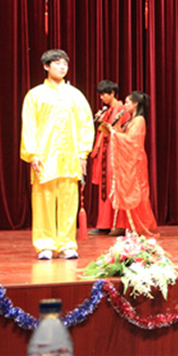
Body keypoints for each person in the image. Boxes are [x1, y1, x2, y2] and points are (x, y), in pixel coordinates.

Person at [20, 49, 95, 260]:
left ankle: (66, 244)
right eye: (57, 63)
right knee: (43, 201)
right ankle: (44, 244)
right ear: (46, 66)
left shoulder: (75, 95)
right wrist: (32, 153)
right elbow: (29, 125)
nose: (62, 67)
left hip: (70, 156)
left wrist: (83, 152)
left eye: (65, 64)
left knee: (68, 201)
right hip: (44, 156)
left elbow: (85, 124)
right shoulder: (35, 95)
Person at [98, 91, 158, 237]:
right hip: (129, 161)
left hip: (135, 162)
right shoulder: (132, 120)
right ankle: (125, 225)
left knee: (137, 192)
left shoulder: (139, 120)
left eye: (127, 102)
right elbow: (124, 136)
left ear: (135, 104)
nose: (125, 105)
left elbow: (131, 141)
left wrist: (114, 133)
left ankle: (140, 225)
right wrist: (116, 126)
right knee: (125, 190)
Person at [88, 80, 130, 235]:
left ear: (112, 93)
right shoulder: (107, 110)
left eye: (104, 94)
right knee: (104, 189)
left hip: (115, 153)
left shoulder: (121, 109)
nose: (101, 98)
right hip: (105, 152)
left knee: (113, 187)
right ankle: (104, 224)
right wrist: (101, 120)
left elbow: (123, 130)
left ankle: (117, 224)